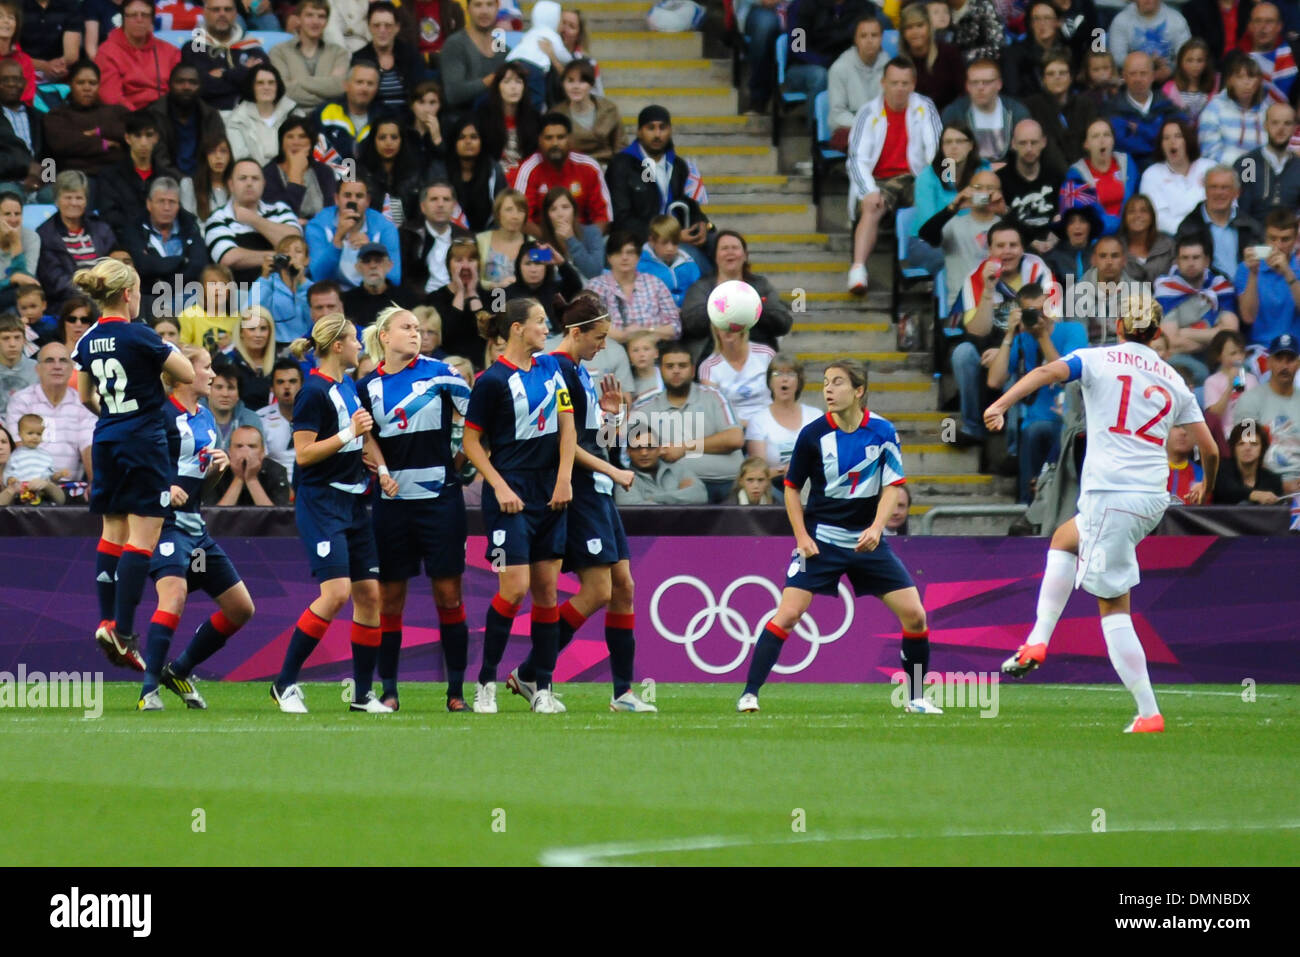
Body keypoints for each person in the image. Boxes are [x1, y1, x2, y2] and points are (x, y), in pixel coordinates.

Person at [988, 296, 1220, 733]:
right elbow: (1208, 448)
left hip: (1111, 492)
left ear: (1117, 326)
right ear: (1157, 335)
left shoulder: (1096, 358)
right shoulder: (1173, 377)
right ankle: (1037, 640)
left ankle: (1148, 711)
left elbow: (1045, 372)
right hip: (1151, 498)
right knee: (1064, 538)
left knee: (1113, 607)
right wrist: (1206, 485)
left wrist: (1002, 403)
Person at [737, 358, 937, 714]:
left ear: (859, 391)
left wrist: (877, 528)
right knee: (788, 614)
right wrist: (801, 537)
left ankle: (917, 697)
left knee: (916, 617)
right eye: (826, 382)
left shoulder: (883, 431)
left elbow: (893, 485)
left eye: (838, 383)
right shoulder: (812, 434)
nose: (828, 389)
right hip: (821, 541)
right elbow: (791, 488)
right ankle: (749, 693)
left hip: (867, 542)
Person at [506, 292, 656, 712]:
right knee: (597, 591)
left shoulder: (581, 372)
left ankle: (622, 693)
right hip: (583, 490)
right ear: (575, 332)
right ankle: (533, 670)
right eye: (599, 337)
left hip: (601, 490)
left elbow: (593, 439)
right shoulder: (556, 369)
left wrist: (612, 419)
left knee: (624, 586)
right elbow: (562, 442)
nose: (603, 346)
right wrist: (612, 471)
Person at [72, 257, 195, 672]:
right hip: (144, 443)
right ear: (128, 294)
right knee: (143, 535)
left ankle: (107, 619)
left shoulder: (87, 340)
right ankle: (123, 632)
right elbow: (187, 372)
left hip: (106, 438)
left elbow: (86, 395)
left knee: (112, 530)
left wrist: (112, 417)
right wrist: (164, 346)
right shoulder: (141, 336)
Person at [270, 313, 392, 714]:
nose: (361, 345)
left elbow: (363, 434)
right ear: (337, 346)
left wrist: (381, 468)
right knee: (336, 592)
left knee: (370, 595)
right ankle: (284, 683)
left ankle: (361, 695)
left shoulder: (347, 388)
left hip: (355, 500)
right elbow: (304, 455)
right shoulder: (312, 393)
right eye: (355, 339)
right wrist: (347, 436)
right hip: (321, 502)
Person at [459, 297, 576, 714]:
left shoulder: (552, 369)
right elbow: (471, 443)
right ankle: (486, 682)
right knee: (514, 588)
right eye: (541, 322)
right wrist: (500, 486)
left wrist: (564, 478)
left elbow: (567, 427)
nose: (548, 328)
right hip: (509, 496)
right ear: (516, 329)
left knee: (547, 592)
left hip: (551, 492)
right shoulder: (491, 382)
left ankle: (541, 686)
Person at [354, 307, 474, 710]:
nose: (416, 333)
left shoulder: (442, 374)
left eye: (419, 328)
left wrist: (457, 464)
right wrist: (382, 468)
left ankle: (456, 692)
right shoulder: (367, 386)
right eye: (406, 327)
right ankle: (388, 690)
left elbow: (475, 421)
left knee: (449, 596)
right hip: (392, 505)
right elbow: (364, 435)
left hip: (441, 500)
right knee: (390, 600)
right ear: (384, 336)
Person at [138, 345, 253, 710]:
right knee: (174, 596)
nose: (213, 375)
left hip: (195, 531)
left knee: (240, 609)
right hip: (164, 527)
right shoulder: (158, 415)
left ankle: (180, 669)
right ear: (184, 373)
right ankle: (148, 691)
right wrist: (159, 489)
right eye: (205, 367)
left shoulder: (204, 419)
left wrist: (216, 473)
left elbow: (199, 491)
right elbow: (131, 469)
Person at [951, 219, 1055, 446]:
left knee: (1017, 362)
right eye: (1000, 246)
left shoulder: (1039, 271)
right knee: (962, 353)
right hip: (986, 349)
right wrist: (988, 290)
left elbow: (1050, 321)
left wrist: (1004, 351)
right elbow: (976, 331)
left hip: (1028, 346)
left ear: (1022, 248)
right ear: (990, 250)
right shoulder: (976, 277)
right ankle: (972, 427)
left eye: (1013, 245)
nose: (1007, 251)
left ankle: (1014, 448)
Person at [847, 57, 943, 294]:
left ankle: (932, 268)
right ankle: (858, 270)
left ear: (913, 84)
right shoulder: (867, 112)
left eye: (905, 83)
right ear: (883, 83)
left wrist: (939, 183)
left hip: (915, 176)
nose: (900, 88)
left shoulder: (925, 107)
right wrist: (868, 191)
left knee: (935, 205)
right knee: (872, 207)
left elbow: (937, 149)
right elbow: (856, 159)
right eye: (894, 83)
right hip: (879, 180)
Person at [987, 282, 1090, 502]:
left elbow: (1067, 375)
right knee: (1036, 431)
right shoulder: (1022, 339)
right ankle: (1027, 507)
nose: (1037, 317)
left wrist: (1043, 336)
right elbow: (995, 380)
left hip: (1069, 420)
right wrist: (1008, 334)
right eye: (1030, 313)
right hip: (1036, 425)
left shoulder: (1072, 331)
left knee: (1047, 432)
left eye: (1041, 310)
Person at [630, 340, 744, 504]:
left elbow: (735, 438)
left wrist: (683, 448)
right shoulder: (643, 407)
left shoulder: (713, 396)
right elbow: (633, 455)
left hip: (727, 485)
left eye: (682, 366)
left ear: (692, 370)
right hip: (675, 490)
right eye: (669, 366)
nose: (676, 371)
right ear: (660, 370)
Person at [606, 106, 711, 270]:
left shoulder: (678, 165)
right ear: (639, 132)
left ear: (670, 130)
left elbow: (691, 205)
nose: (657, 134)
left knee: (720, 244)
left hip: (677, 237)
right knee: (696, 260)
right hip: (643, 239)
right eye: (651, 128)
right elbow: (622, 219)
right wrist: (669, 235)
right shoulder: (622, 165)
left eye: (662, 128)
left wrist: (702, 224)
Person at [919, 168, 1010, 317]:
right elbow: (926, 234)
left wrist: (1005, 212)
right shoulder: (954, 225)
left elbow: (1028, 243)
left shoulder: (1007, 227)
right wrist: (953, 208)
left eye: (990, 189)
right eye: (978, 188)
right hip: (964, 306)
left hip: (1001, 306)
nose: (984, 193)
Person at [118, 177, 210, 322]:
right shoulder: (134, 228)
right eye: (161, 201)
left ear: (178, 205)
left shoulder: (190, 226)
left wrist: (159, 270)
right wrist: (180, 261)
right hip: (148, 296)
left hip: (185, 295)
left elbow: (198, 265)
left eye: (172, 202)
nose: (167, 207)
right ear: (149, 204)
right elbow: (142, 265)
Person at [203, 158, 303, 286]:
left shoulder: (280, 210)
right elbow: (229, 258)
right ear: (231, 185)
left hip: (284, 289)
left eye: (255, 178)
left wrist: (253, 219)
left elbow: (294, 241)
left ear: (263, 184)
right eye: (243, 178)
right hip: (241, 294)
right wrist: (279, 257)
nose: (249, 183)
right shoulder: (218, 218)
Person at [1154, 235, 1239, 384]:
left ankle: (1237, 405)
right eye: (1185, 258)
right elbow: (1172, 342)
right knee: (1200, 372)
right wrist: (1214, 337)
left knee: (1242, 371)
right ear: (1177, 262)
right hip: (1183, 356)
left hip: (1221, 356)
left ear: (1206, 261)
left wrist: (1185, 332)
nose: (1190, 263)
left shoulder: (1220, 287)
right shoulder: (1167, 289)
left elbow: (1230, 333)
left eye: (1196, 257)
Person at [4, 339, 94, 480]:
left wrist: (93, 483)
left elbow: (89, 448)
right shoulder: (21, 400)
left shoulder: (82, 403)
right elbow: (19, 446)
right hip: (27, 485)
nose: (57, 366)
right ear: (37, 369)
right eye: (49, 360)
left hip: (69, 487)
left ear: (72, 369)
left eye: (63, 361)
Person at [514, 112, 611, 234]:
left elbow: (603, 216)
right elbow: (522, 218)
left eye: (560, 137)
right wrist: (552, 243)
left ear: (570, 139)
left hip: (582, 239)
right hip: (542, 240)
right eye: (549, 138)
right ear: (539, 140)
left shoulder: (589, 167)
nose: (555, 143)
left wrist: (586, 243)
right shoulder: (529, 169)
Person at [35, 171, 116, 309]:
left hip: (104, 295)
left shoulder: (101, 228)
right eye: (68, 197)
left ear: (86, 201)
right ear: (56, 200)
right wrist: (92, 292)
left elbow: (113, 264)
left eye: (79, 198)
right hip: (68, 304)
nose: (74, 203)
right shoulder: (46, 235)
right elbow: (56, 282)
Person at [585, 230, 679, 345]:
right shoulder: (595, 287)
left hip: (653, 350)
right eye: (618, 253)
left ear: (638, 257)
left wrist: (645, 331)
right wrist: (621, 336)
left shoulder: (655, 283)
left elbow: (675, 328)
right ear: (609, 257)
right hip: (610, 351)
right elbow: (588, 325)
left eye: (630, 252)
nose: (624, 257)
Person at [305, 179, 401, 290]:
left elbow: (394, 279)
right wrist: (337, 240)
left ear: (367, 201)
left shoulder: (385, 227)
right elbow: (319, 277)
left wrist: (371, 251)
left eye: (359, 196)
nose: (353, 201)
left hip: (369, 293)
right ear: (337, 199)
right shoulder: (318, 226)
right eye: (347, 195)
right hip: (332, 295)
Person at [1234, 332, 1300, 492]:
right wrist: (1278, 485)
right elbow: (1246, 451)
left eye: (1290, 360)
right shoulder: (1250, 401)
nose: (1284, 366)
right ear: (1269, 362)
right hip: (1265, 485)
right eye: (1279, 359)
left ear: (1298, 364)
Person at [744, 354, 822, 486]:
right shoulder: (758, 420)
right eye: (777, 374)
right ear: (770, 382)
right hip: (774, 485)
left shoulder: (816, 416)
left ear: (799, 382)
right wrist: (786, 470)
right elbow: (758, 472)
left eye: (791, 374)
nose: (784, 379)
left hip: (811, 482)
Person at [42, 60, 128, 178]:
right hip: (75, 180)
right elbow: (63, 144)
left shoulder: (117, 112)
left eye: (92, 83)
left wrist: (100, 131)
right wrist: (104, 144)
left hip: (116, 178)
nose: (87, 88)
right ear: (70, 84)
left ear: (99, 85)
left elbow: (133, 133)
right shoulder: (57, 116)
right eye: (80, 83)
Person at [1104, 51, 1186, 173]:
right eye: (1133, 74)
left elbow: (1183, 136)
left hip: (1169, 171)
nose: (1138, 79)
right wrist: (1161, 138)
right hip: (1129, 173)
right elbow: (1122, 145)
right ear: (1124, 76)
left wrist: (1140, 130)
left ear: (1152, 76)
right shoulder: (1111, 110)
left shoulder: (1168, 106)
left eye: (1143, 73)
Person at [181, 0, 269, 112]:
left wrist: (223, 74)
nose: (222, 14)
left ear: (235, 14)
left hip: (250, 116)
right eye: (216, 10)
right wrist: (245, 71)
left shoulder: (250, 45)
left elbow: (264, 81)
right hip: (209, 117)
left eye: (227, 9)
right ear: (205, 13)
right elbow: (201, 87)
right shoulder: (193, 47)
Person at [941, 58, 1030, 169]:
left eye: (986, 82)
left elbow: (1027, 152)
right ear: (967, 86)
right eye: (974, 82)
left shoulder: (1016, 112)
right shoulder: (954, 113)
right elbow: (946, 158)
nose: (980, 87)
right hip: (967, 176)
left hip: (1008, 176)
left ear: (999, 84)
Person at [146, 64, 226, 186]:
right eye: (180, 82)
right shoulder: (154, 115)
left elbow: (218, 155)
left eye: (193, 82)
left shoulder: (211, 116)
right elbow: (158, 161)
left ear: (200, 87)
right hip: (164, 184)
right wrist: (186, 183)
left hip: (203, 185)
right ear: (169, 85)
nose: (186, 87)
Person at [1178, 164, 1262, 279]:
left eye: (1225, 187)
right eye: (1213, 187)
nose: (1219, 193)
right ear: (1205, 190)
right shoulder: (1188, 227)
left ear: (1236, 193)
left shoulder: (1251, 227)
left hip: (1246, 291)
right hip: (1207, 292)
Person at [95, 0, 183, 111]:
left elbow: (180, 89)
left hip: (166, 115)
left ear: (152, 19)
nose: (139, 20)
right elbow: (111, 98)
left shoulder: (170, 51)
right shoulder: (106, 52)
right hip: (127, 118)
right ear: (123, 19)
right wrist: (139, 120)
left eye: (145, 15)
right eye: (133, 15)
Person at [1235, 208, 1300, 347]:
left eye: (1285, 239)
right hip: (1259, 347)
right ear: (1265, 237)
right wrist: (1253, 273)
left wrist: (1288, 273)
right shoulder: (1245, 268)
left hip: (1295, 349)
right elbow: (1248, 317)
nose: (1278, 246)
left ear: (1295, 240)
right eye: (1273, 238)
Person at [400, 179, 474, 300]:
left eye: (446, 199)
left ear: (454, 206)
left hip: (458, 300)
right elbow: (404, 280)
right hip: (421, 302)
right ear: (423, 207)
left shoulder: (467, 238)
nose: (440, 204)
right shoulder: (407, 235)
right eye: (434, 199)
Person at [269, 0, 349, 111]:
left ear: (326, 21)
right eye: (309, 15)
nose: (315, 21)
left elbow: (340, 87)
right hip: (290, 118)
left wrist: (299, 81)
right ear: (298, 19)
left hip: (328, 118)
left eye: (321, 16)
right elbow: (283, 90)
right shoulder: (279, 52)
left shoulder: (339, 53)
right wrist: (326, 92)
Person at [1061, 117, 1136, 235]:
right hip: (1096, 236)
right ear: (1086, 144)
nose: (1102, 140)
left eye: (1106, 135)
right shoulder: (1076, 175)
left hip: (1130, 233)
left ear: (1113, 140)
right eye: (1095, 136)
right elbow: (1084, 218)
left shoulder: (1127, 163)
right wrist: (1120, 225)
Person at [999, 119, 1063, 252]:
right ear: (1013, 144)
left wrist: (1056, 236)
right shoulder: (1000, 179)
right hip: (1015, 250)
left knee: (1069, 273)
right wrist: (1029, 241)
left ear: (1043, 142)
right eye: (1023, 143)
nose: (1029, 149)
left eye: (1034, 143)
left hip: (1055, 250)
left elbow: (1065, 215)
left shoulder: (1057, 177)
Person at [1140, 119, 1214, 236]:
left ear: (1187, 140)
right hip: (1172, 237)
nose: (1172, 142)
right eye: (1166, 138)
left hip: (1212, 231)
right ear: (1161, 144)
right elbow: (1158, 217)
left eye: (1178, 136)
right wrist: (1188, 231)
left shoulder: (1210, 167)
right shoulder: (1151, 174)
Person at [428, 236, 493, 365]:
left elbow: (490, 333)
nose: (465, 266)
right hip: (447, 365)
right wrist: (460, 293)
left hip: (483, 365)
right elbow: (444, 334)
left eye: (471, 260)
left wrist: (472, 293)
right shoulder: (434, 298)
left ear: (479, 264)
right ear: (448, 265)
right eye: (458, 260)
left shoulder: (494, 295)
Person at [698, 319, 775, 428]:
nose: (728, 330)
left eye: (733, 325)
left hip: (769, 423)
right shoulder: (708, 367)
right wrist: (748, 425)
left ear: (743, 328)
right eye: (722, 325)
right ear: (716, 330)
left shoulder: (766, 354)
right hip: (733, 429)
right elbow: (714, 411)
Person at [353, 1, 425, 115]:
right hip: (374, 122)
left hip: (409, 121)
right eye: (376, 25)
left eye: (388, 25)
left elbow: (421, 93)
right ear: (369, 27)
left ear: (397, 28)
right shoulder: (359, 58)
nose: (382, 30)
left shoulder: (411, 54)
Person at [1198, 52, 1269, 164]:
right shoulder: (1214, 109)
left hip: (1261, 176)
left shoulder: (1268, 111)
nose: (1246, 82)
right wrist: (1245, 166)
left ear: (1259, 81)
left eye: (1251, 77)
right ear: (1230, 80)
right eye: (1240, 77)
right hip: (1225, 174)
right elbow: (1209, 153)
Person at [1234, 102, 1300, 223]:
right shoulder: (1248, 164)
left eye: (1287, 123)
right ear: (1265, 125)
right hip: (1253, 236)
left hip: (1291, 235)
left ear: (1295, 128)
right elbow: (1243, 210)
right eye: (1275, 122)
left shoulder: (1298, 166)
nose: (1281, 129)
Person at [475, 61, 540, 180]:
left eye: (518, 82)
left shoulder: (535, 118)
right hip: (494, 178)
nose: (513, 87)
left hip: (526, 178)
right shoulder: (483, 117)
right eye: (507, 81)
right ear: (497, 87)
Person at [356, 117, 426, 228]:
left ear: (402, 140)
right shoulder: (359, 172)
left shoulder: (415, 172)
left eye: (394, 137)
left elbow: (420, 216)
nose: (388, 143)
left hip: (407, 236)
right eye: (382, 138)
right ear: (373, 140)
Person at [225, 65, 298, 170]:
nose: (266, 87)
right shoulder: (236, 120)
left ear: (278, 86)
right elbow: (240, 159)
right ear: (251, 87)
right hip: (254, 179)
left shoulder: (294, 114)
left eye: (271, 83)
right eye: (260, 83)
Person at [440, 0, 507, 113]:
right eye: (478, 5)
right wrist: (492, 79)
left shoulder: (499, 41)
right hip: (465, 117)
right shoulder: (455, 43)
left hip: (497, 116)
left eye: (490, 5)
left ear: (497, 8)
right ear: (468, 9)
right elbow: (453, 94)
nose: (484, 11)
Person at [551, 58, 622, 164]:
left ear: (591, 84)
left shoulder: (609, 109)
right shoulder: (555, 114)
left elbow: (620, 146)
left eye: (582, 81)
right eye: (570, 81)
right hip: (570, 170)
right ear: (563, 84)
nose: (576, 86)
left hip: (606, 168)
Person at [312, 61, 383, 164]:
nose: (364, 88)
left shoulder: (386, 117)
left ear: (377, 89)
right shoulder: (325, 112)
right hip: (333, 178)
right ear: (346, 85)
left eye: (370, 83)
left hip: (372, 178)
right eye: (359, 82)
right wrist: (346, 176)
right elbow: (317, 153)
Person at [614, 427, 708, 505]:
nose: (644, 453)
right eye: (637, 448)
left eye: (650, 447)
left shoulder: (679, 470)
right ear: (628, 452)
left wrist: (653, 498)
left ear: (659, 449)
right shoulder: (623, 479)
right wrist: (680, 496)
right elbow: (632, 509)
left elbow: (700, 495)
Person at [898, 4, 965, 112]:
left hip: (950, 118)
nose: (915, 32)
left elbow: (963, 93)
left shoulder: (949, 53)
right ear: (903, 33)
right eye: (909, 27)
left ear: (929, 27)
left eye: (920, 25)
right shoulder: (900, 64)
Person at [828, 15, 887, 139]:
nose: (869, 40)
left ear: (881, 38)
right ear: (855, 40)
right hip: (850, 128)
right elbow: (837, 114)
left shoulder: (889, 67)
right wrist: (867, 125)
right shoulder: (839, 68)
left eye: (874, 35)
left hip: (881, 127)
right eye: (863, 36)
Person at [203, 423, 291, 505]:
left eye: (252, 446)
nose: (245, 451)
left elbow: (277, 518)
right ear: (229, 451)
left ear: (262, 452)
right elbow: (213, 517)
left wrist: (251, 479)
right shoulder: (218, 471)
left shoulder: (276, 471)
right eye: (239, 446)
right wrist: (239, 478)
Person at [445, 116, 506, 233]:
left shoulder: (494, 171)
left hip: (488, 236)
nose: (468, 142)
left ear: (482, 142)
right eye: (462, 137)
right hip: (450, 237)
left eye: (474, 137)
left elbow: (502, 210)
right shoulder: (442, 170)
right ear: (454, 142)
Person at [1108, 0, 1192, 84]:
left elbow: (1186, 55)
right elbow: (1117, 58)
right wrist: (1146, 65)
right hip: (1133, 80)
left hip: (1171, 79)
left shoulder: (1177, 19)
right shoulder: (1120, 21)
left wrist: (1170, 70)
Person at [504, 239, 582, 329]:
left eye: (538, 263)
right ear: (519, 266)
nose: (533, 270)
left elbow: (576, 286)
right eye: (527, 264)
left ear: (547, 267)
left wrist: (561, 263)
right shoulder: (506, 294)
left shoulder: (557, 290)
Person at [1003, 1, 1073, 99]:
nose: (1042, 24)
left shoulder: (1068, 50)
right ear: (1031, 23)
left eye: (1047, 18)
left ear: (1058, 22)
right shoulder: (1013, 54)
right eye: (1036, 19)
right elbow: (1012, 92)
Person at [539, 185, 605, 281]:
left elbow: (594, 272)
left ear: (574, 211)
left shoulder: (592, 233)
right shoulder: (543, 242)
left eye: (565, 207)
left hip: (589, 292)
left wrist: (571, 239)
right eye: (553, 209)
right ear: (548, 216)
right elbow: (542, 278)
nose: (560, 214)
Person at [1202, 329, 1258, 440]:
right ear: (1218, 356)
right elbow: (1214, 416)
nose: (1238, 357)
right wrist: (1230, 386)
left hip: (1249, 433)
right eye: (1233, 353)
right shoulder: (1212, 382)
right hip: (1224, 436)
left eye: (1241, 352)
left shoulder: (1251, 379)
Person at [637, 214, 701, 309]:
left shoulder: (689, 264)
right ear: (652, 241)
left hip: (686, 313)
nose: (670, 248)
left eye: (674, 243)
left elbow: (697, 292)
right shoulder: (641, 267)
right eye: (664, 243)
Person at [342, 242, 412, 329]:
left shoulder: (406, 299)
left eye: (378, 260)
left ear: (389, 265)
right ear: (357, 267)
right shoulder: (347, 301)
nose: (373, 266)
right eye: (366, 261)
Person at [1214, 418, 1284, 504]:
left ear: (1263, 448)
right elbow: (1226, 489)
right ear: (1234, 449)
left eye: (1254, 444)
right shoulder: (1221, 471)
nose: (1247, 448)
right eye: (1241, 444)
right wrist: (1254, 495)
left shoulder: (1273, 481)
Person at [2, 412, 66, 504]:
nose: (35, 437)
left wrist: (58, 475)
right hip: (21, 496)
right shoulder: (15, 456)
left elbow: (50, 477)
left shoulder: (46, 456)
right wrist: (10, 479)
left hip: (43, 496)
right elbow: (8, 473)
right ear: (20, 434)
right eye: (30, 433)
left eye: (39, 434)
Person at [0, 60, 43, 198]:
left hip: (40, 182)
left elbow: (51, 156)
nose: (12, 84)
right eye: (5, 80)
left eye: (16, 79)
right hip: (6, 181)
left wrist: (44, 178)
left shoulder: (39, 117)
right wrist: (26, 167)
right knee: (10, 196)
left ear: (24, 84)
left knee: (56, 195)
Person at [222, 305, 276, 408]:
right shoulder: (227, 361)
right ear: (241, 332)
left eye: (263, 329)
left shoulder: (278, 363)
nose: (258, 334)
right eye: (252, 328)